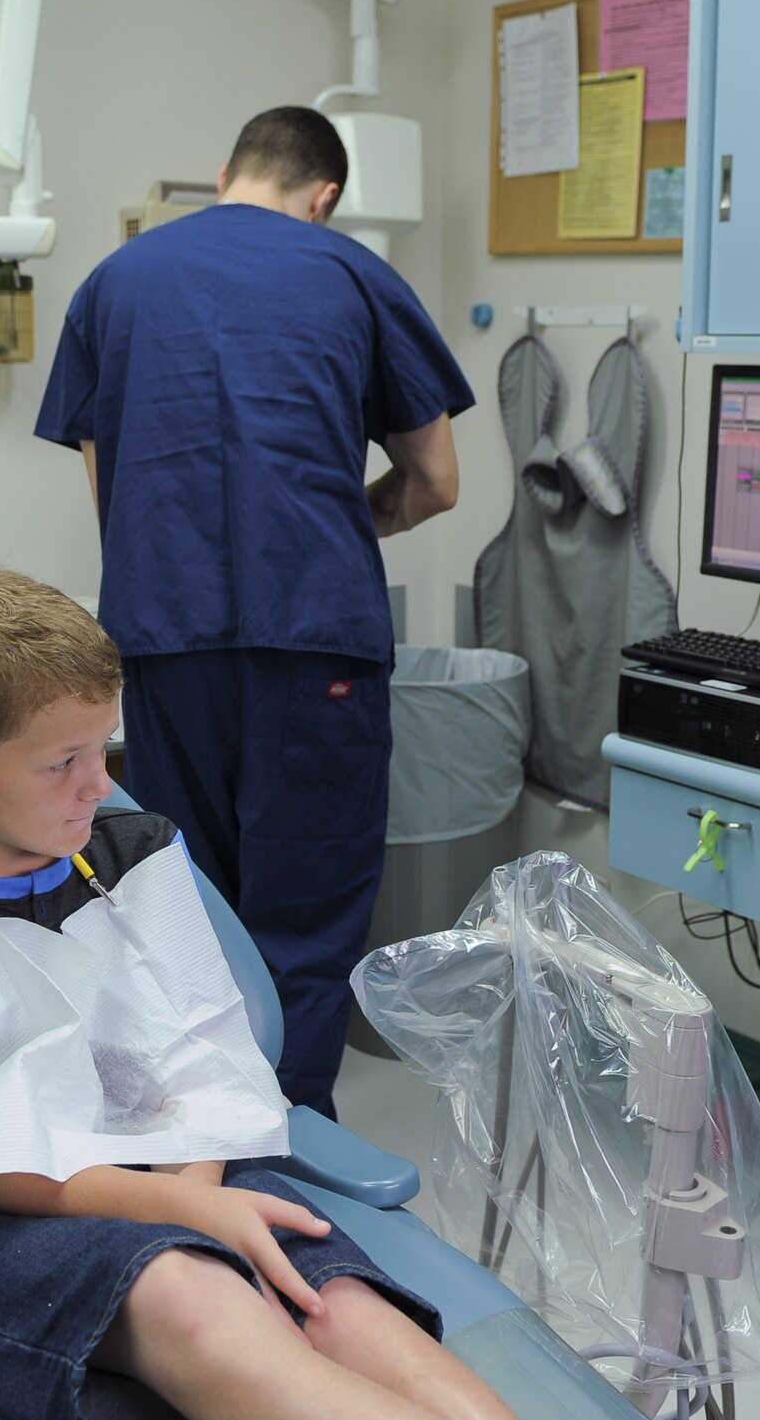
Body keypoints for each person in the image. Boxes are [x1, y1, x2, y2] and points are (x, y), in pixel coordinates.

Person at [0, 565, 760, 1420]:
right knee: (199, 1297)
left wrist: (198, 1187)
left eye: (104, 748)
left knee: (340, 1308)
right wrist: (197, 1218)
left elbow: (207, 1063)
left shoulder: (133, 848)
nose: (99, 783)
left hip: (188, 1157)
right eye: (62, 765)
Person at [35, 105, 469, 1116]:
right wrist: (338, 523)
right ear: (324, 197)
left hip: (161, 635)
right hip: (313, 632)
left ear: (225, 169)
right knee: (304, 924)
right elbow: (437, 480)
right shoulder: (355, 273)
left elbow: (110, 490)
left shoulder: (115, 282)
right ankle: (293, 1160)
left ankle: (203, 1144)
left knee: (189, 910)